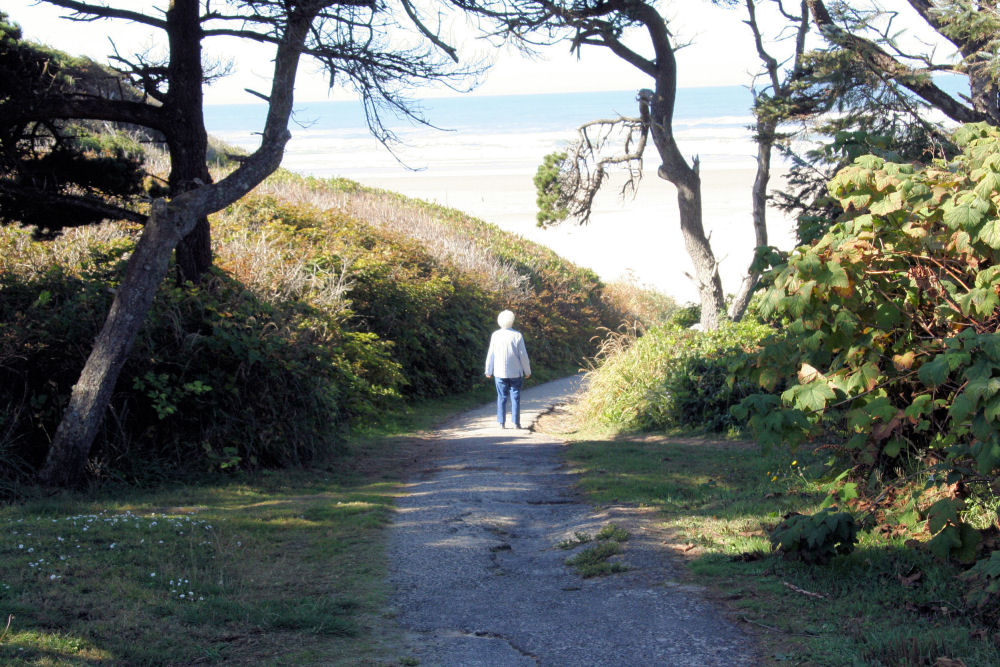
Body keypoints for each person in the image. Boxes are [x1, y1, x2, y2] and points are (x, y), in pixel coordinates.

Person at [484, 309, 531, 429]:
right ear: (512, 321)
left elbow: (491, 354)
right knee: (515, 397)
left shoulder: (495, 335)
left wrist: (488, 370)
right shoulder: (517, 335)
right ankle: (516, 423)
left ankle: (501, 422)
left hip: (499, 372)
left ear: (499, 321)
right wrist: (527, 371)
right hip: (516, 373)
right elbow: (523, 355)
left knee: (501, 397)